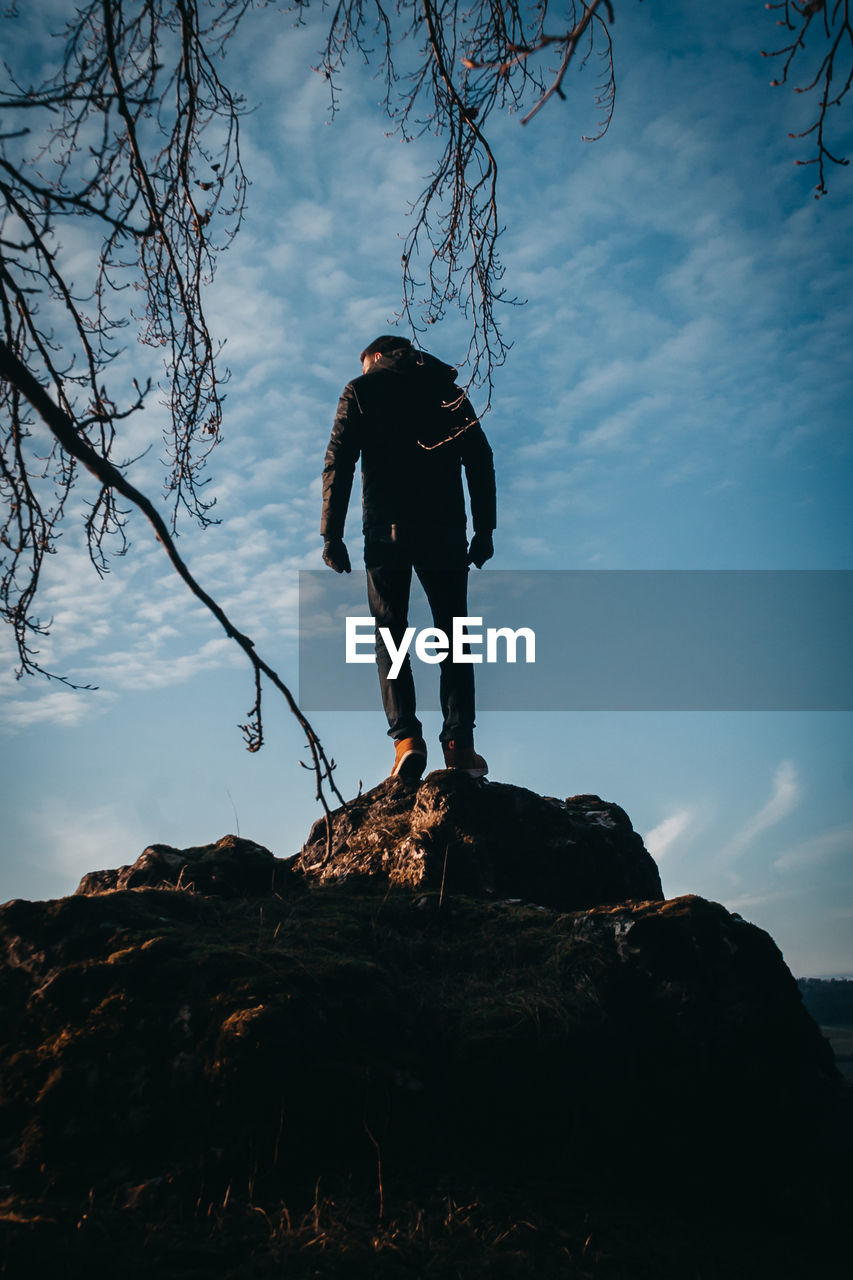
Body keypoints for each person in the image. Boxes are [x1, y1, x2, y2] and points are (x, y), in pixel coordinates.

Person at [321, 334, 496, 780]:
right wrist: (485, 529)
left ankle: (406, 742)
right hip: (446, 531)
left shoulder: (361, 390)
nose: (366, 373)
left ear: (377, 356)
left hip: (385, 530)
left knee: (390, 635)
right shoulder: (446, 390)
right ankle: (459, 747)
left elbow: (338, 462)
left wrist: (331, 535)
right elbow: (479, 457)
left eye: (367, 365)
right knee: (453, 635)